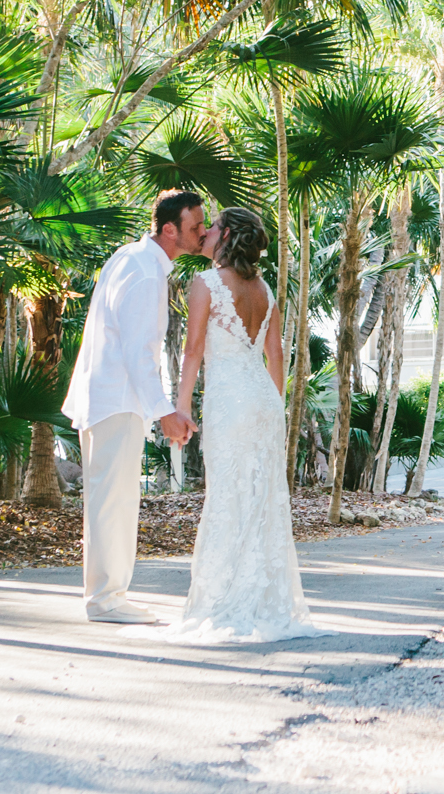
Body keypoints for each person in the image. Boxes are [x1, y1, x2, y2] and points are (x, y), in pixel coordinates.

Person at [141, 205, 325, 643]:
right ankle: (263, 599)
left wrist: (180, 407)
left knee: (227, 497)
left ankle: (224, 600)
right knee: (259, 500)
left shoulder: (205, 284)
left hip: (230, 405)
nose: (205, 232)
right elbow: (276, 357)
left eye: (213, 227)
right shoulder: (265, 289)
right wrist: (275, 413)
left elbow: (193, 352)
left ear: (226, 237)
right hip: (263, 401)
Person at [62, 190, 203, 623]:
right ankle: (106, 600)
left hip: (107, 398)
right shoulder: (145, 273)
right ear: (169, 229)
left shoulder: (132, 257)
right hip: (116, 401)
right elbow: (138, 352)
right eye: (195, 226)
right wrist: (164, 411)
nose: (202, 233)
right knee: (113, 503)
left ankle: (107, 595)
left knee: (112, 500)